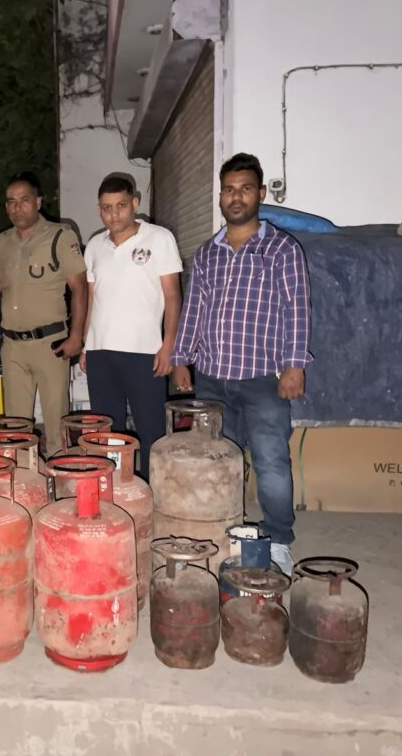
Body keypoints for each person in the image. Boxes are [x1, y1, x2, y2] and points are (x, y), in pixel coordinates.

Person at [171, 153, 312, 575]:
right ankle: (224, 531)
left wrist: (294, 365)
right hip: (213, 379)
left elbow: (297, 309)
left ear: (261, 194)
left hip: (263, 378)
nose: (237, 197)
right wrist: (181, 359)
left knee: (271, 462)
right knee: (219, 461)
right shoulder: (207, 254)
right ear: (220, 196)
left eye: (246, 189)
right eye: (229, 190)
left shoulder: (281, 249)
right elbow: (194, 310)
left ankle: (279, 541)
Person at [78, 175, 182, 480]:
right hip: (101, 353)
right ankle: (114, 487)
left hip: (144, 353)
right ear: (99, 209)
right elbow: (93, 299)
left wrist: (169, 345)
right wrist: (86, 345)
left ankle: (151, 491)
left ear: (134, 203)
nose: (114, 214)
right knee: (108, 433)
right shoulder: (94, 245)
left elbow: (173, 296)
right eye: (107, 208)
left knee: (151, 430)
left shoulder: (159, 238)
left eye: (121, 206)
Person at [0, 171, 87, 455]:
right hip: (13, 346)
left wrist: (77, 336)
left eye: (24, 200)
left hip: (50, 344)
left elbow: (80, 288)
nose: (17, 208)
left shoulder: (60, 236)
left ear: (38, 202)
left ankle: (60, 473)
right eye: (11, 202)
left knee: (56, 423)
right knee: (15, 429)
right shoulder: (4, 241)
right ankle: (22, 476)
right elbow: (3, 283)